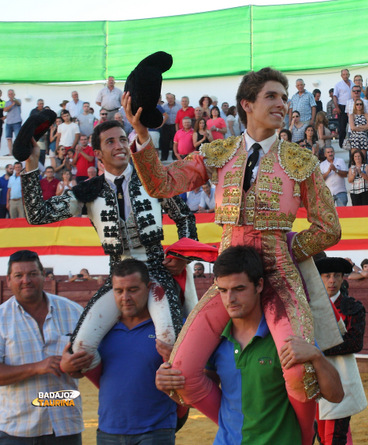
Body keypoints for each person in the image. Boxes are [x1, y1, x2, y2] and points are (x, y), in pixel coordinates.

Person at [126, 67, 342, 444]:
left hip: (279, 277)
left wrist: (287, 247)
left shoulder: (300, 160)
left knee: (297, 370)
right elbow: (161, 182)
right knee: (181, 369)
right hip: (229, 280)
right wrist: (143, 137)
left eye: (283, 96)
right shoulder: (218, 153)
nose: (281, 104)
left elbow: (329, 228)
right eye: (272, 96)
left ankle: (303, 438)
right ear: (247, 104)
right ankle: (236, 423)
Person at [21, 120, 199, 373]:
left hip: (157, 272)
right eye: (111, 141)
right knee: (80, 349)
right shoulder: (88, 191)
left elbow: (184, 216)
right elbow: (37, 214)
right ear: (97, 153)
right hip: (118, 277)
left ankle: (178, 405)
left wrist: (182, 254)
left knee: (170, 338)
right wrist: (31, 164)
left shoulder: (152, 179)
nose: (120, 146)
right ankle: (116, 383)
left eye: (123, 140)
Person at [156, 246, 344, 444]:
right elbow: (206, 396)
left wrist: (316, 356)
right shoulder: (217, 340)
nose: (230, 299)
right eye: (223, 290)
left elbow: (336, 395)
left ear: (259, 285)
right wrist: (169, 387)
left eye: (239, 289)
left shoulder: (286, 336)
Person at [61, 259, 179, 445]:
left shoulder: (167, 329)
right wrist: (68, 366)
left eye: (133, 290)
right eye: (119, 291)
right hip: (109, 430)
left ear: (148, 288)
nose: (125, 297)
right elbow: (81, 367)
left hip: (156, 430)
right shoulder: (101, 330)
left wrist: (178, 358)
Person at [0, 250, 85, 444]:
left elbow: (92, 360)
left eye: (32, 274)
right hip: (18, 430)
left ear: (43, 276)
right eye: (19, 275)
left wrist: (77, 368)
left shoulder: (73, 311)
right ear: (8, 280)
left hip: (65, 425)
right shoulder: (1, 318)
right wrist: (37, 367)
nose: (26, 280)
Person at [315, 256, 367, 445]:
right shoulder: (310, 307)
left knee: (334, 437)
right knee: (321, 434)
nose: (332, 281)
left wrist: (316, 350)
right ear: (319, 278)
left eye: (336, 276)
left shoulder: (352, 307)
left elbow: (354, 343)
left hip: (342, 377)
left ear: (342, 279)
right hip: (315, 380)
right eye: (327, 276)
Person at [333, 69, 354, 149]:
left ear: (349, 74)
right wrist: (337, 107)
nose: (345, 76)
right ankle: (341, 144)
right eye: (344, 74)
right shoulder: (338, 85)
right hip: (342, 106)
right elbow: (335, 96)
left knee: (352, 125)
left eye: (347, 74)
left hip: (352, 105)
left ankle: (352, 142)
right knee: (342, 127)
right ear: (341, 76)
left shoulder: (352, 83)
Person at [4, 89, 22, 156]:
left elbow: (18, 103)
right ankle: (10, 153)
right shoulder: (6, 103)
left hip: (17, 122)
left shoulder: (18, 100)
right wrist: (12, 104)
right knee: (9, 138)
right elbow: (5, 109)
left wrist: (14, 100)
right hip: (8, 122)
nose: (10, 95)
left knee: (18, 138)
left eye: (11, 94)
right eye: (9, 94)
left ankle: (18, 152)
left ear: (14, 94)